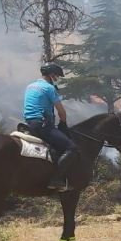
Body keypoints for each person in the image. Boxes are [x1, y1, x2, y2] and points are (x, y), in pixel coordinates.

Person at [23, 62, 79, 191]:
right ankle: (56, 180)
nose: (57, 78)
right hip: (43, 125)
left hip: (29, 123)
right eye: (56, 75)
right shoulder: (49, 88)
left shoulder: (30, 86)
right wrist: (63, 123)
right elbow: (61, 111)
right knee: (71, 148)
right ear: (51, 74)